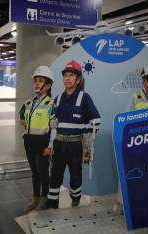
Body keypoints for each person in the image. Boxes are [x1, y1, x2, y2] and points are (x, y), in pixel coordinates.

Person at [38, 60, 101, 210]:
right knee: (55, 174)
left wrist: (85, 132)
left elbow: (96, 120)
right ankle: (52, 201)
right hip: (59, 143)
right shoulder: (58, 98)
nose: (67, 78)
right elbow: (54, 118)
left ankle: (75, 198)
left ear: (78, 79)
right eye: (65, 75)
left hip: (75, 144)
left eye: (71, 75)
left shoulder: (84, 98)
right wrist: (52, 123)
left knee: (75, 174)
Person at [19, 66, 54, 212]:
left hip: (43, 144)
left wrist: (50, 145)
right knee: (34, 172)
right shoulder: (28, 103)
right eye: (35, 81)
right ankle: (35, 198)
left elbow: (54, 128)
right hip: (29, 143)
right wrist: (21, 117)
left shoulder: (51, 104)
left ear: (48, 85)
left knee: (43, 172)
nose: (37, 84)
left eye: (41, 81)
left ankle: (45, 199)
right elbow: (22, 111)